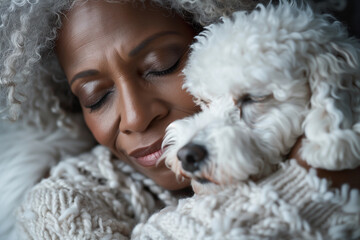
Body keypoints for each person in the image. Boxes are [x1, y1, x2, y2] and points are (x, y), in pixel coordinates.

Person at [0, 0, 358, 239]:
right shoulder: (64, 202)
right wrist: (317, 184)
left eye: (162, 66)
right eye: (97, 96)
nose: (137, 117)